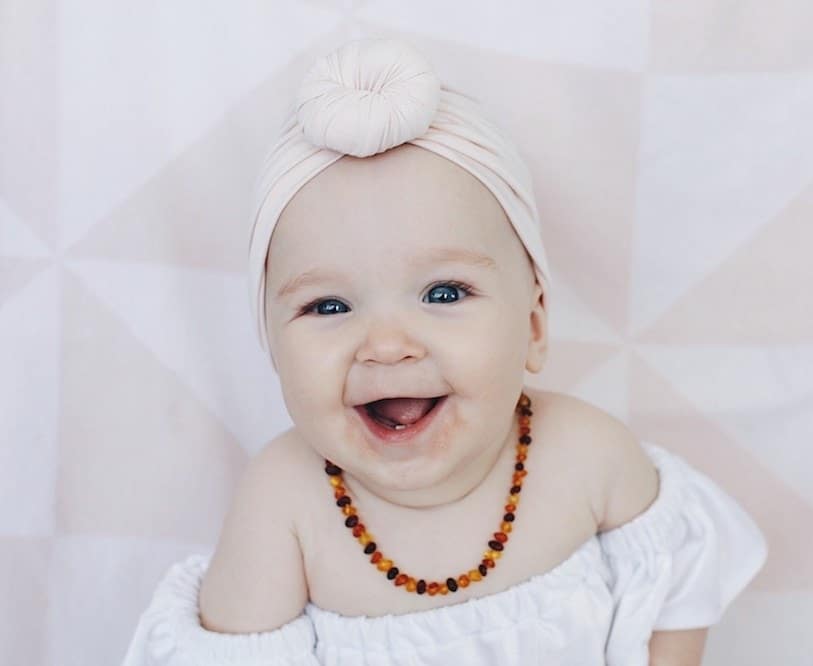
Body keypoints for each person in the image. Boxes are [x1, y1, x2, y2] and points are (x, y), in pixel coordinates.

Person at [121, 37, 767, 666]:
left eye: (443, 292)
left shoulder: (588, 455)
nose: (387, 345)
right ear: (272, 346)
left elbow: (675, 597)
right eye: (329, 307)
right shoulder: (284, 507)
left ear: (535, 325)